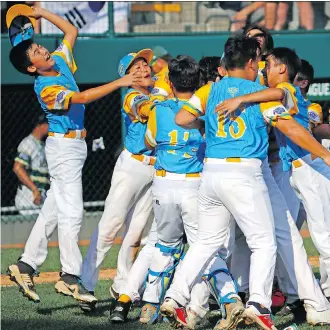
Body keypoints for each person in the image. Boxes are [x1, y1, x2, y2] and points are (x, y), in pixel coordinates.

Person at [161, 36, 330, 330]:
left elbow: (181, 118)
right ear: (252, 62)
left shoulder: (208, 90)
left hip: (212, 172)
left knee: (205, 243)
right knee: (264, 243)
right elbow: (289, 127)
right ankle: (259, 305)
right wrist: (325, 153)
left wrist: (210, 124)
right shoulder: (261, 92)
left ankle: (175, 298)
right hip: (244, 172)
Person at [7, 5, 141, 309]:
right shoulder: (45, 86)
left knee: (55, 208)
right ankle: (69, 276)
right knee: (72, 213)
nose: (44, 50)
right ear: (32, 68)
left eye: (41, 46)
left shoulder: (59, 61)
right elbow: (80, 98)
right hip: (63, 149)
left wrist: (42, 13)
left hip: (74, 147)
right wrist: (119, 83)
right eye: (38, 52)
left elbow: (71, 31)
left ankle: (26, 264)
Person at [215, 47, 330, 325]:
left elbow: (280, 98)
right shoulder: (271, 91)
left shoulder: (287, 88)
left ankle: (325, 294)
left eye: (270, 65)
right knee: (298, 234)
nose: (265, 69)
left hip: (311, 166)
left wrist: (241, 97)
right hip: (297, 170)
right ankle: (312, 298)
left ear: (282, 69)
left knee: (324, 238)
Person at [81, 49, 156, 302]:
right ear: (127, 77)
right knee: (111, 224)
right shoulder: (132, 96)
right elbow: (144, 109)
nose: (144, 69)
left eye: (145, 65)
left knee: (138, 232)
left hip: (156, 168)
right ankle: (86, 284)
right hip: (133, 166)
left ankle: (122, 284)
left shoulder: (158, 90)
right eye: (136, 68)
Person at [14, 114, 50, 215]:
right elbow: (17, 168)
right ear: (40, 125)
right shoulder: (28, 143)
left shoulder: (42, 146)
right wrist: (34, 190)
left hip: (41, 197)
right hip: (28, 197)